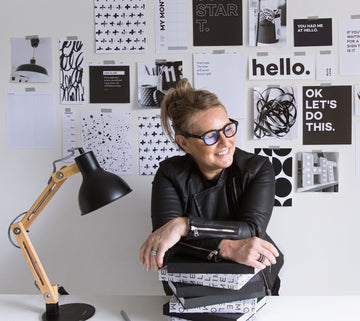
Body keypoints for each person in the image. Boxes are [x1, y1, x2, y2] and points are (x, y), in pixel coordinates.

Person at [140, 78, 283, 295]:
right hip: (189, 288)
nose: (226, 143)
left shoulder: (257, 168)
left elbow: (252, 229)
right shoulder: (169, 174)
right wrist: (225, 247)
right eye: (210, 136)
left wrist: (185, 226)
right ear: (184, 142)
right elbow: (164, 243)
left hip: (251, 283)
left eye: (227, 129)